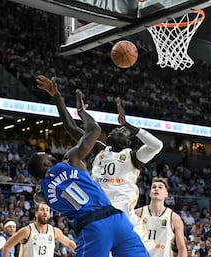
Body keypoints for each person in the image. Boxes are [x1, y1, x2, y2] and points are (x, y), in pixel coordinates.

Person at [24, 88, 149, 257]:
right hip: (116, 217)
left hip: (96, 224)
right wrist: (80, 110)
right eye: (48, 155)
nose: (116, 131)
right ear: (47, 162)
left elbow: (39, 198)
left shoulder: (45, 191)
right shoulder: (82, 157)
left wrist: (40, 189)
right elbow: (84, 128)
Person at [36, 74, 163, 240]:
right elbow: (70, 127)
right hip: (97, 210)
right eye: (118, 128)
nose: (116, 129)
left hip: (122, 213)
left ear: (128, 141)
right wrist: (57, 96)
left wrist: (128, 125)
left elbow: (157, 145)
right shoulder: (101, 151)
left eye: (122, 131)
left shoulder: (133, 157)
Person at [135, 177, 187, 257]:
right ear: (150, 193)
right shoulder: (137, 214)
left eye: (160, 187)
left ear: (166, 194)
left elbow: (182, 248)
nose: (156, 189)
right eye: (154, 187)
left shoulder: (174, 218)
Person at [2, 203, 76, 257]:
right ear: (36, 213)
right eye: (42, 210)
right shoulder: (27, 231)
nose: (45, 212)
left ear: (49, 215)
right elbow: (6, 247)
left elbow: (69, 243)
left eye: (47, 210)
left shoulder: (54, 231)